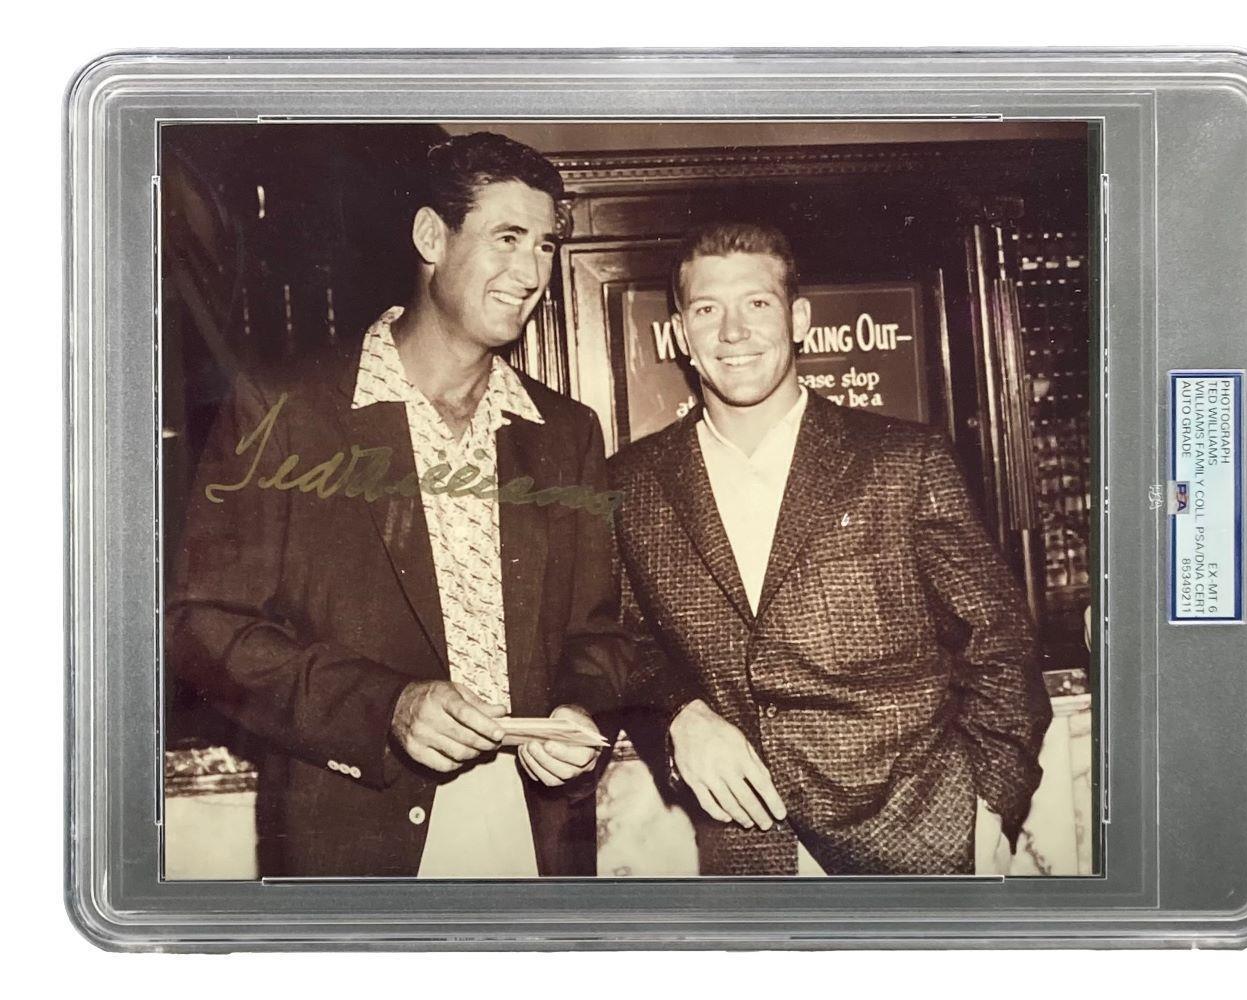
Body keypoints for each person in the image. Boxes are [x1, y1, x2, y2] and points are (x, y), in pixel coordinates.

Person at [168, 132, 628, 878]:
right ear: (429, 237)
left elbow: (597, 635)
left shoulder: (566, 432)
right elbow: (202, 627)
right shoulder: (285, 413)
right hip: (354, 836)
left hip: (536, 834)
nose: (531, 270)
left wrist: (577, 713)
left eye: (545, 245)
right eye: (507, 237)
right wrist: (385, 708)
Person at [610, 221, 1053, 876]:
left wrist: (991, 808)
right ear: (679, 333)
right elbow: (626, 644)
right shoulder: (630, 483)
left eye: (757, 303)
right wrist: (677, 716)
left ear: (799, 320)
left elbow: (1001, 643)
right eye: (707, 309)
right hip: (748, 854)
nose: (733, 332)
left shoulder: (905, 458)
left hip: (926, 842)